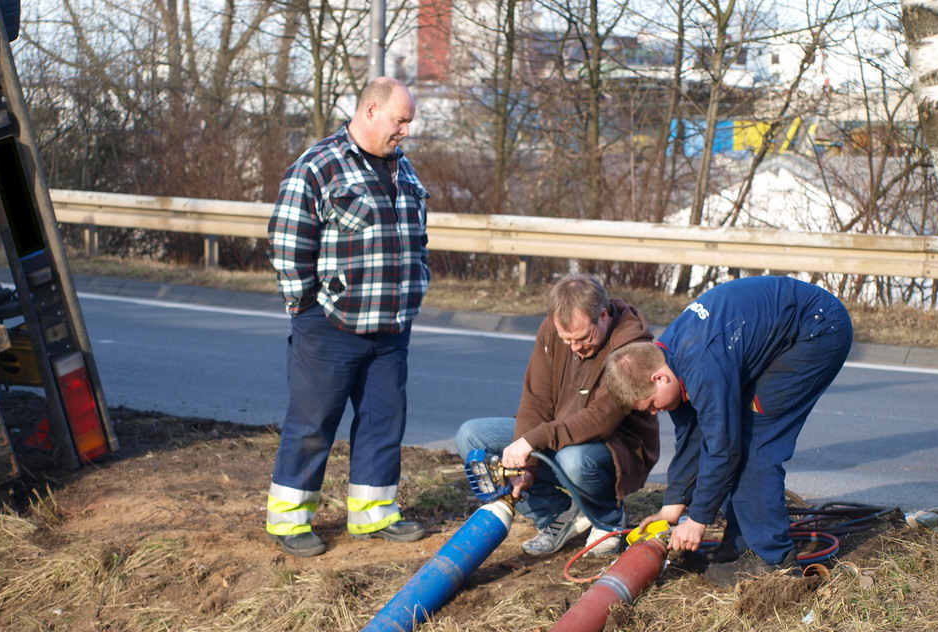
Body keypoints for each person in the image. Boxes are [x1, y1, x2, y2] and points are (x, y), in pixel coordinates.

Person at [264, 77, 430, 557]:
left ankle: (374, 515)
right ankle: (290, 521)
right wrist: (307, 309)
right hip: (330, 326)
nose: (405, 132)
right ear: (372, 110)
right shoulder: (319, 165)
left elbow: (416, 240)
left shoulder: (404, 169)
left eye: (408, 123)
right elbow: (287, 242)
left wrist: (416, 283)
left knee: (383, 423)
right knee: (313, 423)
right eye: (401, 121)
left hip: (392, 326)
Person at [604, 275, 853, 584]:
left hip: (817, 330)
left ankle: (774, 563)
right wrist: (673, 505)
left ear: (658, 379)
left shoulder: (702, 364)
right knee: (733, 436)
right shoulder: (668, 355)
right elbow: (692, 436)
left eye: (651, 404)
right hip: (782, 328)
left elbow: (723, 446)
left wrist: (698, 520)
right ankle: (741, 545)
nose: (655, 412)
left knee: (753, 444)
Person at [455, 274, 660, 556]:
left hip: (614, 449)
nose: (576, 348)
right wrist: (524, 463)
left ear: (602, 315)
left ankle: (607, 519)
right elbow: (536, 400)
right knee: (472, 436)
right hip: (561, 437)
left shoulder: (629, 346)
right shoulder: (551, 331)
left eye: (583, 338)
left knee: (574, 459)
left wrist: (532, 442)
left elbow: (601, 418)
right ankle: (557, 516)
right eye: (567, 341)